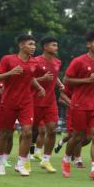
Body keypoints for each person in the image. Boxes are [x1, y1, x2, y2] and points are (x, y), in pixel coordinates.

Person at [61, 31, 94, 180]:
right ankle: (66, 159)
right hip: (79, 104)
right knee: (77, 137)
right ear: (89, 44)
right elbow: (66, 80)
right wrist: (87, 80)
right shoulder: (79, 61)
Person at [0, 34, 45, 176]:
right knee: (5, 133)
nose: (33, 47)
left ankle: (21, 164)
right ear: (21, 45)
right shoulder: (8, 59)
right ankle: (0, 162)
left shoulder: (34, 63)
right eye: (30, 44)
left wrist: (39, 87)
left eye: (34, 44)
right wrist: (10, 72)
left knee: (28, 132)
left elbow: (31, 77)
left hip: (26, 102)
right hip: (8, 101)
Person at [32, 37, 64, 173]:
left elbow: (54, 75)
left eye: (57, 45)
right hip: (34, 100)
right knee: (29, 131)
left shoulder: (57, 62)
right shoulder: (36, 61)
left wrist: (60, 84)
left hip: (50, 101)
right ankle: (24, 159)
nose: (56, 47)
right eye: (54, 45)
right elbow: (28, 78)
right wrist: (42, 80)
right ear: (45, 47)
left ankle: (46, 160)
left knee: (52, 129)